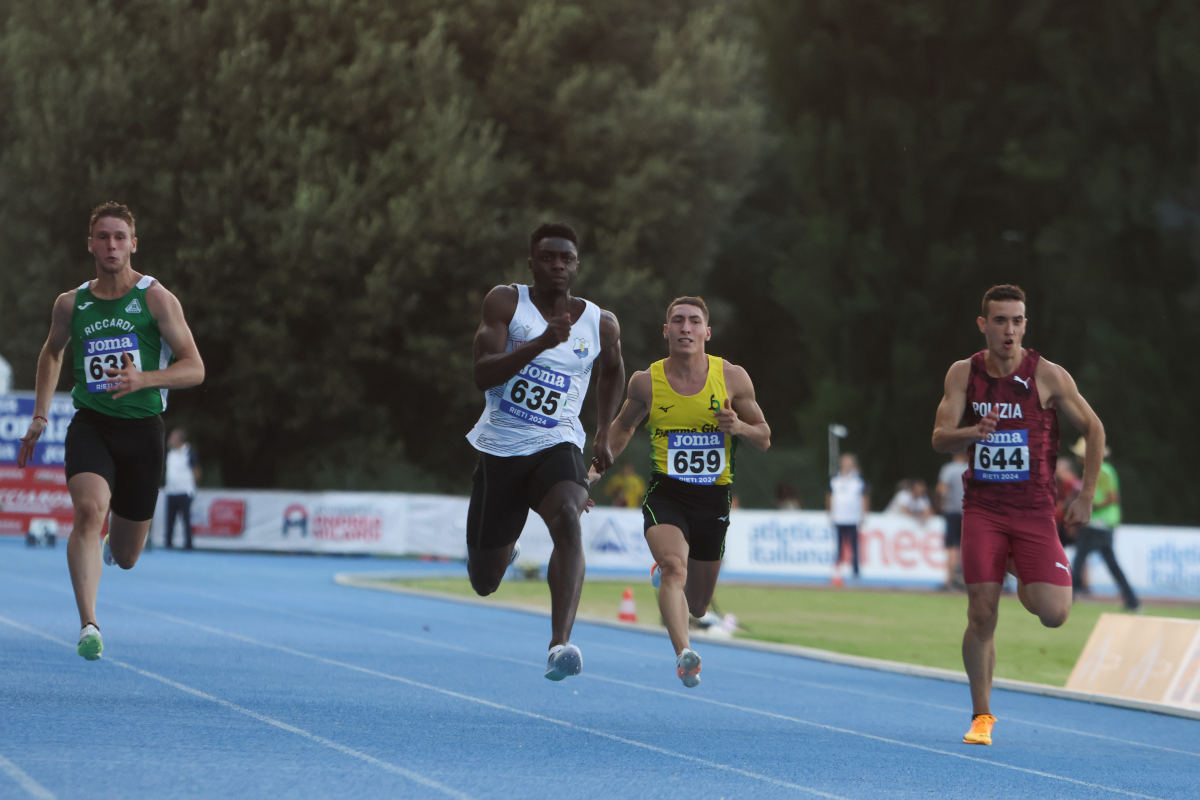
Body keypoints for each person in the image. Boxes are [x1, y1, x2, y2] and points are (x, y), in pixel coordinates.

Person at [17, 201, 205, 661]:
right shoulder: (70, 303)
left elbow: (194, 368)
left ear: (133, 244)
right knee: (87, 509)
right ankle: (88, 625)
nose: (111, 245)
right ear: (90, 245)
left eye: (120, 236)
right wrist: (41, 415)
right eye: (103, 236)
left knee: (127, 555)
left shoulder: (156, 298)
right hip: (92, 425)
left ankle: (112, 546)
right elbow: (52, 353)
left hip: (142, 430)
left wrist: (145, 379)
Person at [932, 284, 1103, 747]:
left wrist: (1085, 496)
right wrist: (973, 430)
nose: (1010, 330)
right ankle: (982, 715)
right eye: (1001, 320)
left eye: (1018, 320)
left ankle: (1013, 563)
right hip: (983, 509)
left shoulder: (1047, 375)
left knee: (1054, 614)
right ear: (983, 324)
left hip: (1033, 512)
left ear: (1025, 324)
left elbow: (1093, 427)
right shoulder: (963, 374)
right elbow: (939, 438)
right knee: (982, 613)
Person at [465, 222, 624, 681]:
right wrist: (541, 343)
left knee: (569, 518)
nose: (557, 265)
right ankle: (503, 548)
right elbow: (482, 375)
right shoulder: (506, 303)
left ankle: (560, 645)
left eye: (566, 258)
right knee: (484, 581)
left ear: (576, 265)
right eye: (548, 257)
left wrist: (602, 433)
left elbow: (612, 370)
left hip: (557, 441)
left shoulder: (600, 322)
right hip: (500, 447)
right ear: (531, 262)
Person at [596, 296, 770, 688]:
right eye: (678, 321)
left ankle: (671, 584)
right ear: (666, 330)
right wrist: (595, 468)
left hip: (714, 498)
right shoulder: (645, 382)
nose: (686, 328)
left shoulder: (732, 378)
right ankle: (684, 654)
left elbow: (765, 437)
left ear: (707, 332)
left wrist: (739, 427)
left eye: (694, 321)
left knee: (699, 603)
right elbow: (622, 427)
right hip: (667, 493)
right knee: (676, 566)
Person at [1069, 436, 1139, 612]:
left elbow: (1112, 498)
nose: (1078, 458)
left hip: (1098, 524)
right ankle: (1132, 601)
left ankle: (1068, 597)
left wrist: (1089, 506)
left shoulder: (1103, 470)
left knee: (1079, 560)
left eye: (1080, 455)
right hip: (1101, 524)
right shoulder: (1096, 470)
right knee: (1109, 564)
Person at [827, 453, 869, 585]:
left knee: (854, 546)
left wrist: (864, 514)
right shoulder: (835, 480)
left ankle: (856, 572)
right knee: (838, 546)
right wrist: (830, 513)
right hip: (839, 518)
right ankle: (837, 572)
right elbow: (829, 497)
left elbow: (864, 497)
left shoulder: (858, 481)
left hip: (853, 518)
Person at [935, 451, 970, 590]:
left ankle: (950, 580)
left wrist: (941, 504)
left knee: (951, 546)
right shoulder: (970, 468)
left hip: (952, 511)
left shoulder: (948, 469)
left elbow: (942, 489)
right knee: (965, 547)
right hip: (969, 511)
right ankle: (965, 579)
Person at [163, 427, 200, 549]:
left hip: (184, 491)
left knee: (186, 520)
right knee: (170, 521)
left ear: (180, 440)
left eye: (173, 437)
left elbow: (196, 470)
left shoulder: (189, 452)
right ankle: (168, 544)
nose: (170, 440)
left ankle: (188, 545)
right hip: (171, 491)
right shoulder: (170, 453)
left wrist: (193, 486)